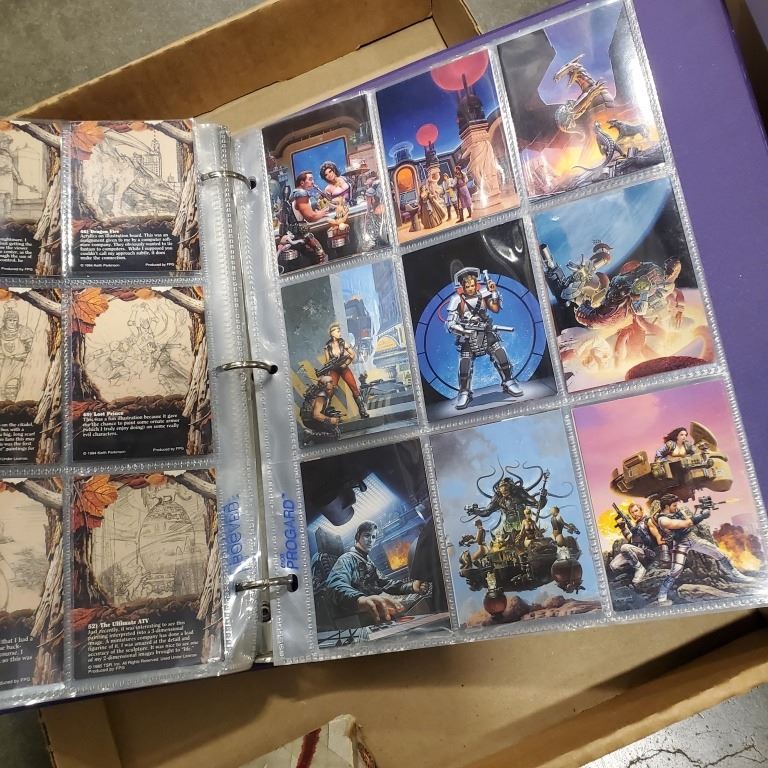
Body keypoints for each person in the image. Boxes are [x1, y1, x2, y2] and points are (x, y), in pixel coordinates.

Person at [652, 493, 753, 605]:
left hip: (692, 538)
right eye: (674, 505)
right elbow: (686, 523)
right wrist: (702, 516)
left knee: (718, 553)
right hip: (680, 544)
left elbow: (689, 522)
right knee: (676, 570)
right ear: (667, 506)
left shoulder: (676, 511)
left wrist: (701, 512)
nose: (676, 507)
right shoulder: (663, 520)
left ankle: (736, 575)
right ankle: (662, 594)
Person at [445, 267, 522, 409]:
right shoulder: (457, 300)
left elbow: (495, 309)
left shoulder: (483, 294)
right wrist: (465, 331)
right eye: (467, 286)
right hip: (468, 337)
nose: (470, 289)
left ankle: (508, 381)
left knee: (501, 355)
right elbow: (450, 324)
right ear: (462, 286)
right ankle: (464, 392)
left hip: (486, 332)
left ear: (476, 284)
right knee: (465, 365)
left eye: (472, 285)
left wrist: (494, 292)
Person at [323, 521, 429, 622]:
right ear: (357, 536)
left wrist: (411, 587)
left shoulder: (368, 562)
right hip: (365, 615)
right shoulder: (347, 559)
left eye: (373, 537)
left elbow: (386, 584)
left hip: (379, 609)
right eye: (367, 535)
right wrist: (361, 600)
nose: (370, 540)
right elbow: (335, 585)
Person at [321, 322, 368, 419]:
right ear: (332, 333)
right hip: (334, 370)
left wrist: (345, 364)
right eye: (337, 331)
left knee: (354, 387)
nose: (340, 333)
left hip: (344, 369)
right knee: (330, 390)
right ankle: (325, 412)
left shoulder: (343, 342)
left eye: (339, 331)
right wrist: (327, 368)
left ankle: (362, 410)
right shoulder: (327, 346)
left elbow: (352, 354)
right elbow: (327, 361)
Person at [609, 502, 660, 586]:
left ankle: (640, 569)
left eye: (636, 511)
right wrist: (623, 528)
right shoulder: (636, 525)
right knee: (614, 565)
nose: (634, 514)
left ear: (641, 510)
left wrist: (641, 533)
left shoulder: (648, 521)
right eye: (632, 513)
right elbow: (631, 540)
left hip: (647, 553)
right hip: (636, 553)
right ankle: (634, 570)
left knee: (624, 547)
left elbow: (656, 538)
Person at [0, 304, 34, 400]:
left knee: (23, 383)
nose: (12, 323)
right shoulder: (1, 332)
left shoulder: (23, 331)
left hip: (22, 362)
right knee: (2, 384)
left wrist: (23, 356)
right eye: (10, 320)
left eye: (14, 320)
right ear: (5, 321)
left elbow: (31, 348)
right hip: (7, 362)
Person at [299, 375, 342, 442]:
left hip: (310, 418)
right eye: (330, 382)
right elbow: (316, 415)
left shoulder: (320, 392)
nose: (332, 384)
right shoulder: (321, 396)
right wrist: (330, 420)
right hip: (310, 420)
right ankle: (310, 435)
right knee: (335, 433)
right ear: (325, 385)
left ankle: (316, 435)